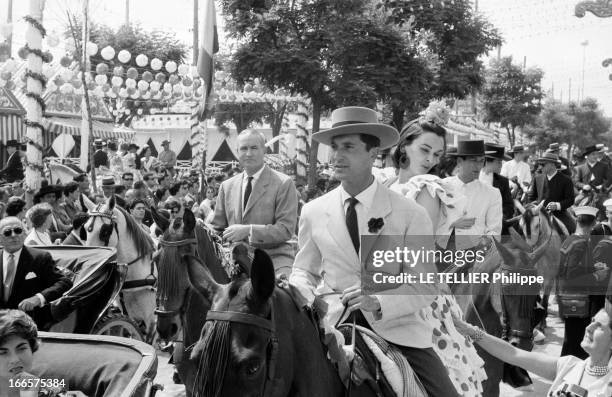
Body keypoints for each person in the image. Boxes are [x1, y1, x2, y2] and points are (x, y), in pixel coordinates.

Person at [289, 106, 456, 397]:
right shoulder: (314, 211)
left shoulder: (410, 214)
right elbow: (304, 270)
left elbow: (426, 285)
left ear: (372, 152)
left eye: (349, 147)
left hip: (399, 331)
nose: (337, 156)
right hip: (332, 325)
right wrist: (296, 290)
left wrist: (377, 300)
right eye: (334, 147)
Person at [386, 106, 486, 396]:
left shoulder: (429, 187)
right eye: (425, 150)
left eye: (437, 155)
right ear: (405, 145)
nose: (430, 160)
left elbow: (418, 249)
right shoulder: (385, 182)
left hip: (414, 291)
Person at [453, 303, 612, 397]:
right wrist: (471, 331)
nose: (589, 328)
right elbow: (512, 353)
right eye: (592, 321)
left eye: (599, 327)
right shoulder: (568, 366)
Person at [211, 129, 299, 276]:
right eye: (244, 148)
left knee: (286, 293)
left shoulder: (283, 183)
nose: (249, 153)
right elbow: (218, 229)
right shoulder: (227, 186)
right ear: (237, 151)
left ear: (264, 150)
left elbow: (285, 230)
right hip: (234, 259)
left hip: (273, 259)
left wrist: (249, 230)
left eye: (254, 148)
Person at [0, 217, 72, 330]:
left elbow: (64, 282)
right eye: (7, 232)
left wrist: (38, 298)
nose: (13, 235)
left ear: (24, 234)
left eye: (18, 230)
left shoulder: (40, 258)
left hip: (30, 324)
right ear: (0, 238)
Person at [558, 206, 609, 358]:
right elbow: (570, 276)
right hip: (577, 300)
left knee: (571, 341)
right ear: (593, 224)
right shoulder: (580, 243)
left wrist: (593, 267)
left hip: (570, 298)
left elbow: (570, 269)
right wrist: (595, 277)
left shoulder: (570, 240)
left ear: (577, 221)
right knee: (575, 344)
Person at [0, 309, 87, 397]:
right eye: (2, 353)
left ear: (31, 349)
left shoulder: (55, 393)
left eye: (21, 348)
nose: (15, 360)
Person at [437, 140, 502, 252]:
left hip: (474, 256)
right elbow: (430, 222)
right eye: (473, 161)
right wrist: (451, 225)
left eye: (481, 161)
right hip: (441, 250)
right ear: (459, 161)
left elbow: (494, 231)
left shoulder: (492, 193)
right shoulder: (441, 186)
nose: (479, 166)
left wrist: (482, 246)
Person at [534, 152, 576, 234]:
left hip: (559, 214)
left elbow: (570, 200)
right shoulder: (537, 178)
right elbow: (531, 197)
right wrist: (535, 208)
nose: (540, 167)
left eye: (543, 164)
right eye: (539, 164)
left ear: (552, 164)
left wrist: (557, 206)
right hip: (538, 214)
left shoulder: (566, 180)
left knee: (572, 228)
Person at [480, 143, 514, 235]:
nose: (501, 165)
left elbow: (509, 206)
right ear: (487, 161)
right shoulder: (472, 178)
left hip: (495, 230)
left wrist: (498, 219)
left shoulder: (503, 181)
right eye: (498, 161)